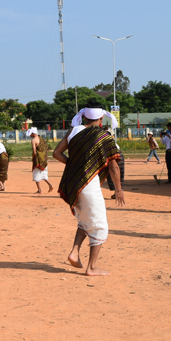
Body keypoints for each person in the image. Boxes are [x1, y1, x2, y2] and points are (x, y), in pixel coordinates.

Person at [53, 108, 124, 276]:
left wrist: (75, 167)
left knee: (85, 219)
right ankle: (91, 268)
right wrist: (119, 190)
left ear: (84, 117)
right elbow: (113, 166)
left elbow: (56, 153)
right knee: (99, 226)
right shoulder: (104, 136)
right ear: (101, 119)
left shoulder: (74, 130)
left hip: (73, 182)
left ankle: (75, 252)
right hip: (88, 185)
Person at [29, 128, 53, 194]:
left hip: (38, 159)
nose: (30, 135)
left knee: (36, 174)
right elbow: (46, 148)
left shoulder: (33, 140)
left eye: (30, 133)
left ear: (33, 133)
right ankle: (50, 185)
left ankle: (39, 190)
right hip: (44, 159)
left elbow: (34, 152)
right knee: (43, 173)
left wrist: (32, 158)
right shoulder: (41, 139)